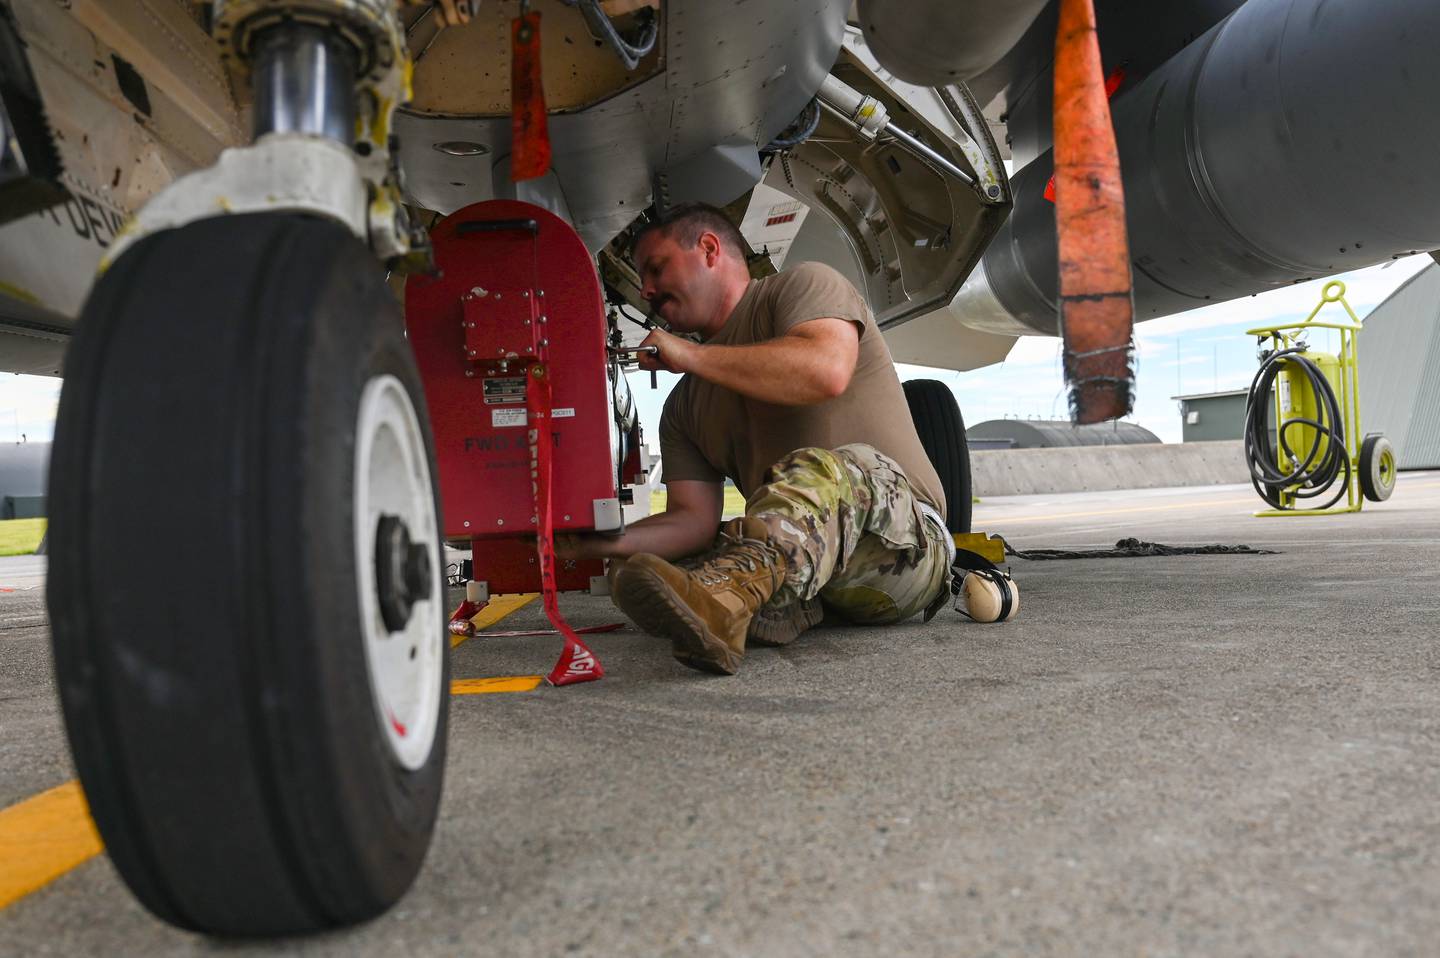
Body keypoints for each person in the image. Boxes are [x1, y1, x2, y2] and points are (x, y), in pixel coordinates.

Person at [558, 202, 954, 674]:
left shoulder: (804, 286)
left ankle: (727, 605)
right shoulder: (684, 408)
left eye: (656, 268)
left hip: (901, 552)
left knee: (824, 466)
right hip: (815, 571)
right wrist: (592, 543)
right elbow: (692, 522)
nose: (645, 290)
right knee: (638, 567)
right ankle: (762, 606)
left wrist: (690, 357)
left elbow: (824, 372)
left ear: (708, 249)